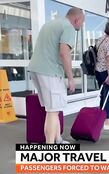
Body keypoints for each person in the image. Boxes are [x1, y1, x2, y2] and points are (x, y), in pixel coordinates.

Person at [28, 8, 85, 144]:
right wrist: (70, 78)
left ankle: (58, 139)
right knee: (53, 111)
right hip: (50, 72)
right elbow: (64, 53)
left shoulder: (50, 24)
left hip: (36, 69)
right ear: (77, 20)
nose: (82, 25)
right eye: (82, 22)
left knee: (54, 108)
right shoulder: (68, 27)